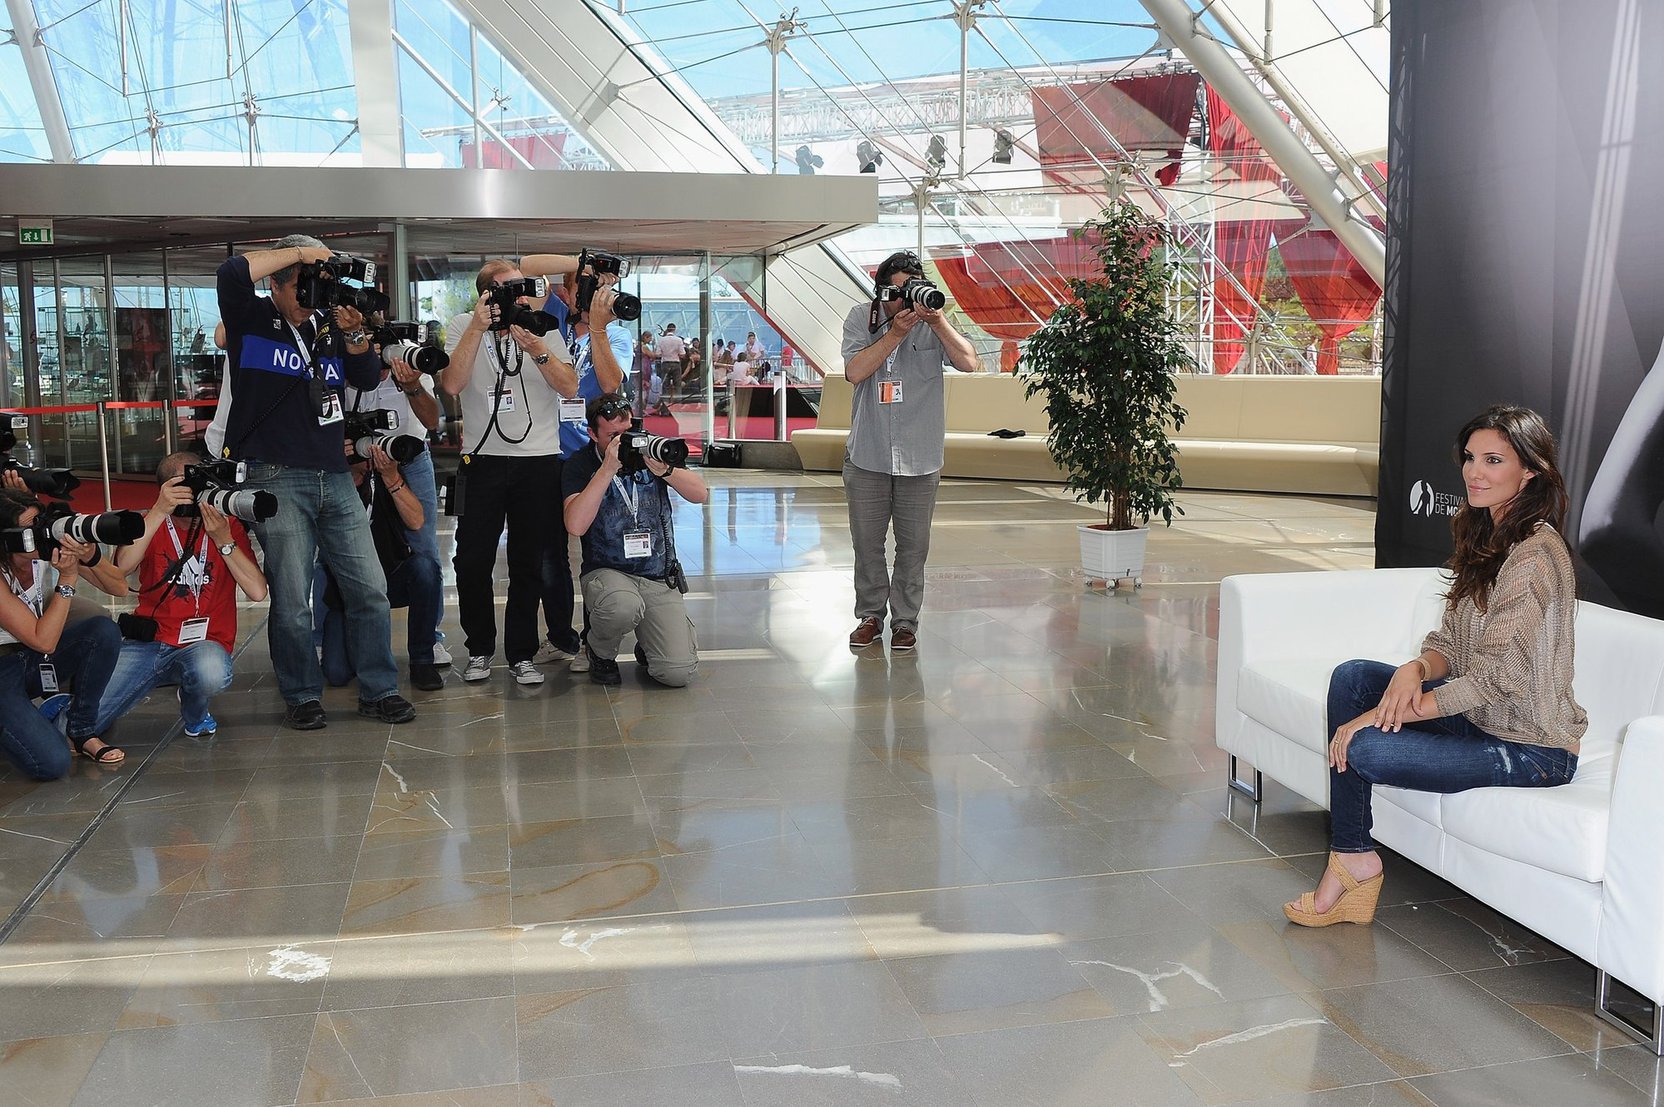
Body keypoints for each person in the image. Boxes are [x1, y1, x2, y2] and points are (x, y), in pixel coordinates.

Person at [1286, 405, 1585, 927]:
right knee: (1353, 677)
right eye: (1471, 458)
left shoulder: (1534, 556)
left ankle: (1350, 864)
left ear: (1529, 470)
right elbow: (1450, 641)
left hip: (1531, 747)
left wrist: (1381, 718)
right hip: (1479, 720)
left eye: (1494, 460)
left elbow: (1498, 677)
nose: (1475, 472)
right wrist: (1416, 668)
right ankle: (1353, 855)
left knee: (1364, 744)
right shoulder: (1486, 532)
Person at [217, 234, 416, 731]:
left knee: (370, 588)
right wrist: (303, 254)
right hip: (274, 474)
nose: (315, 298)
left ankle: (380, 690)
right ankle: (302, 694)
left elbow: (367, 376)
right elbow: (231, 273)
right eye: (307, 286)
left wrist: (353, 335)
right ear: (281, 284)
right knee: (291, 597)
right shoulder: (252, 318)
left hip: (334, 474)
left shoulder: (328, 325)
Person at [439, 256, 580, 687]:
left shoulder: (544, 325)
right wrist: (479, 328)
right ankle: (479, 648)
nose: (515, 295)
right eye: (504, 289)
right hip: (481, 460)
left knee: (528, 561)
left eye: (520, 287)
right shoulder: (464, 325)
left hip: (537, 460)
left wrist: (535, 347)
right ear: (484, 293)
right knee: (472, 560)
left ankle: (521, 652)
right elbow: (451, 384)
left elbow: (570, 386)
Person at [841, 249, 981, 652]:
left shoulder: (932, 322)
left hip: (920, 455)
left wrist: (937, 321)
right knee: (867, 544)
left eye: (913, 289)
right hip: (868, 454)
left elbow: (969, 362)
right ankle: (870, 616)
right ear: (882, 291)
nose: (907, 299)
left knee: (913, 546)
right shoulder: (860, 317)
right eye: (898, 291)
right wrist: (896, 333)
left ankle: (905, 621)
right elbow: (855, 371)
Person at [95, 453, 267, 739]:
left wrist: (224, 542)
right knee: (83, 723)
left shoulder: (226, 526)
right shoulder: (147, 522)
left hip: (204, 643)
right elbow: (120, 569)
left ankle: (195, 710)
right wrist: (159, 511)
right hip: (150, 641)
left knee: (211, 673)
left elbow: (258, 591)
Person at [523, 257, 633, 676]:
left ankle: (594, 642)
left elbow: (609, 383)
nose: (596, 295)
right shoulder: (551, 315)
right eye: (586, 288)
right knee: (551, 555)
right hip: (542, 451)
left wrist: (600, 325)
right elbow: (527, 263)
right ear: (566, 292)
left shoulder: (616, 332)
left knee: (594, 550)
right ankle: (559, 636)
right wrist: (581, 265)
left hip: (587, 455)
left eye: (603, 288)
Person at [563, 392, 707, 687]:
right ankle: (599, 652)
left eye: (627, 431)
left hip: (657, 575)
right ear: (593, 435)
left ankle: (651, 641)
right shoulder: (580, 464)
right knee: (622, 606)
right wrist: (606, 470)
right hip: (608, 573)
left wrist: (666, 470)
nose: (622, 441)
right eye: (612, 435)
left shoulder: (650, 449)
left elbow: (699, 494)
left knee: (677, 673)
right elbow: (575, 525)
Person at [0, 488, 128, 775]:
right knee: (52, 764)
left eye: (40, 523)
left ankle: (81, 732)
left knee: (102, 631)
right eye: (30, 529)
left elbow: (119, 588)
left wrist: (89, 556)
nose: (41, 533)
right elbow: (43, 639)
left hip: (29, 659)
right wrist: (68, 579)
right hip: (3, 668)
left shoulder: (44, 552)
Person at [344, 335, 446, 689]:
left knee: (424, 552)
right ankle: (325, 638)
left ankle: (428, 643)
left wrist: (413, 385)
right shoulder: (347, 366)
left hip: (410, 458)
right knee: (334, 549)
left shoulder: (410, 361)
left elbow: (433, 421)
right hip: (355, 460)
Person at [315, 443, 441, 691]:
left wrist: (391, 476)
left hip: (391, 576)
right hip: (347, 590)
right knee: (337, 674)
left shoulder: (383, 480)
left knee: (425, 568)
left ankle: (422, 660)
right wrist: (341, 473)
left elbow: (416, 521)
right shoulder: (327, 485)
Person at [656, 324, 686, 402]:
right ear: (674, 329)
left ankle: (665, 409)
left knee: (665, 386)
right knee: (677, 386)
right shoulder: (678, 340)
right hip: (675, 363)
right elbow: (682, 354)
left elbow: (658, 354)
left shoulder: (661, 340)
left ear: (667, 329)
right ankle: (677, 406)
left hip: (665, 363)